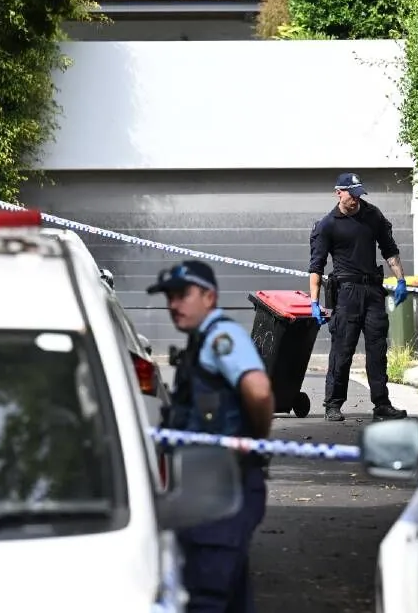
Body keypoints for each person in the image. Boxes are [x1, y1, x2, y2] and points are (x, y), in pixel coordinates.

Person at [147, 260, 274, 613]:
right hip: (211, 486)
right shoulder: (201, 342)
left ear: (209, 296)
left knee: (206, 595)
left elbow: (260, 391)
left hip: (224, 487)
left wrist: (255, 442)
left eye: (182, 295)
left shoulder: (221, 338)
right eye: (169, 297)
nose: (174, 304)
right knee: (230, 596)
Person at [308, 173, 409, 423]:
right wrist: (314, 302)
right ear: (338, 193)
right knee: (342, 350)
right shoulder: (327, 225)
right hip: (346, 293)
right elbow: (316, 267)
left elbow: (390, 249)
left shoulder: (372, 215)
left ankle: (381, 404)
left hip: (373, 291)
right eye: (351, 194)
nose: (355, 199)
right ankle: (333, 403)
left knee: (377, 349)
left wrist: (401, 280)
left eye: (358, 194)